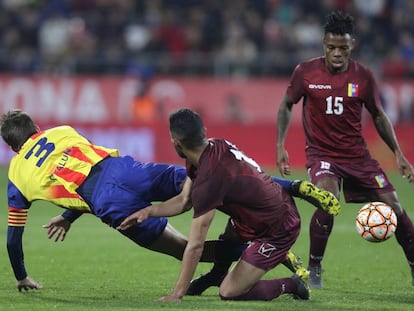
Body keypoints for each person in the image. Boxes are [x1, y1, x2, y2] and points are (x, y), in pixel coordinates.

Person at [1, 109, 337, 292]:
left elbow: (14, 238)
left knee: (182, 246)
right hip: (127, 169)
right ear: (37, 127)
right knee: (209, 174)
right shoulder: (61, 131)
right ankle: (290, 188)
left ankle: (261, 250)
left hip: (108, 201)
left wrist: (21, 276)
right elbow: (85, 167)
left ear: (12, 147)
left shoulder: (17, 175)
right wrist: (69, 216)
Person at [117, 108, 341, 302]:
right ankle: (217, 274)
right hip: (251, 216)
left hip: (278, 227)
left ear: (176, 142)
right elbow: (184, 201)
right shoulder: (212, 146)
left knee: (230, 292)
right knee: (230, 240)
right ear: (202, 133)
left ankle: (293, 285)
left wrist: (178, 293)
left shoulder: (210, 177)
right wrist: (149, 211)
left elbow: (195, 245)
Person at [276, 10, 414, 289]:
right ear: (323, 45)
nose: (337, 53)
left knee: (397, 210)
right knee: (327, 199)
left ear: (353, 45)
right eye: (331, 48)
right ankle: (314, 266)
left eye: (343, 48)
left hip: (358, 157)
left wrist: (398, 153)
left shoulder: (363, 76)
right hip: (322, 155)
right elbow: (287, 104)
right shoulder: (305, 72)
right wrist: (280, 145)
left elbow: (378, 115)